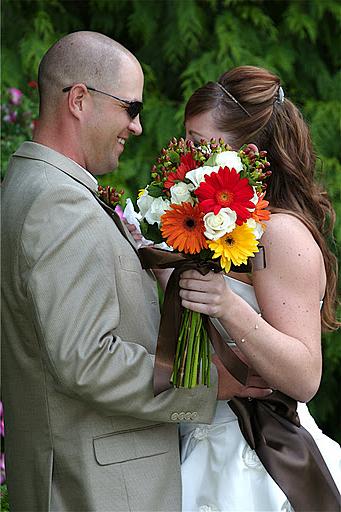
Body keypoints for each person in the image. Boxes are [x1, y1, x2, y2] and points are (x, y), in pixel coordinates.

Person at [1, 32, 264, 512]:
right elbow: (86, 358)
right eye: (130, 108)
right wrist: (207, 385)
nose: (138, 127)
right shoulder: (58, 204)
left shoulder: (38, 185)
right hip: (95, 487)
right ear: (80, 100)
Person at [177, 66, 341, 511]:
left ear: (246, 153)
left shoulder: (280, 232)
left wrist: (228, 305)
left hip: (257, 456)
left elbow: (306, 377)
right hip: (199, 433)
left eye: (200, 146)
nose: (184, 158)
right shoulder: (215, 225)